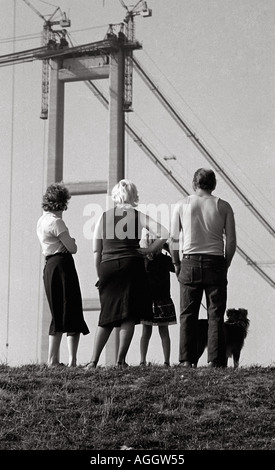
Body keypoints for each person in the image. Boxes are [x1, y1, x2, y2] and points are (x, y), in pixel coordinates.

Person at [86, 179, 169, 369]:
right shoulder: (137, 216)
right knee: (128, 315)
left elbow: (96, 250)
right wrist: (149, 251)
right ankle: (120, 361)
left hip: (107, 265)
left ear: (115, 196)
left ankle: (93, 361)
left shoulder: (103, 217)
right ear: (134, 196)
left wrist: (100, 274)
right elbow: (164, 232)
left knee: (106, 315)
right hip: (131, 264)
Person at [170, 168, 236, 368]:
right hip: (215, 261)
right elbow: (231, 240)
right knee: (215, 313)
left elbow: (173, 239)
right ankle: (215, 361)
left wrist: (176, 263)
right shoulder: (224, 206)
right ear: (213, 184)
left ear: (194, 183)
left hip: (189, 261)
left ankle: (187, 360)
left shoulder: (181, 205)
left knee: (187, 313)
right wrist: (226, 263)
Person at [37, 183, 89, 367]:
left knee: (57, 312)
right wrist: (71, 239)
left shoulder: (42, 221)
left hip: (49, 266)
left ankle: (52, 360)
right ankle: (72, 360)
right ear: (62, 203)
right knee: (72, 309)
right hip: (63, 265)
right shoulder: (57, 222)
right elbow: (72, 248)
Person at [139, 231, 177, 368]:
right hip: (163, 299)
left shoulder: (142, 260)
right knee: (164, 331)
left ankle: (142, 360)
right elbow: (177, 266)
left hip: (147, 299)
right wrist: (170, 250)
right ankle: (166, 361)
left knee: (146, 331)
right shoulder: (165, 259)